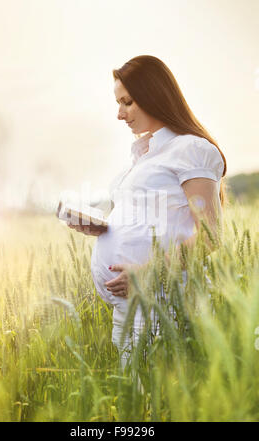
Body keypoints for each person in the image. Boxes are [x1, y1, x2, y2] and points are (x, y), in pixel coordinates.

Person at [66, 55, 227, 367]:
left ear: (154, 95)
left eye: (127, 102)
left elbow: (210, 236)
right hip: (129, 310)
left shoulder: (191, 150)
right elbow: (149, 219)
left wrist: (148, 274)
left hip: (164, 306)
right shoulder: (144, 154)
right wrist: (103, 228)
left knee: (165, 406)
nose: (119, 114)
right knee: (134, 406)